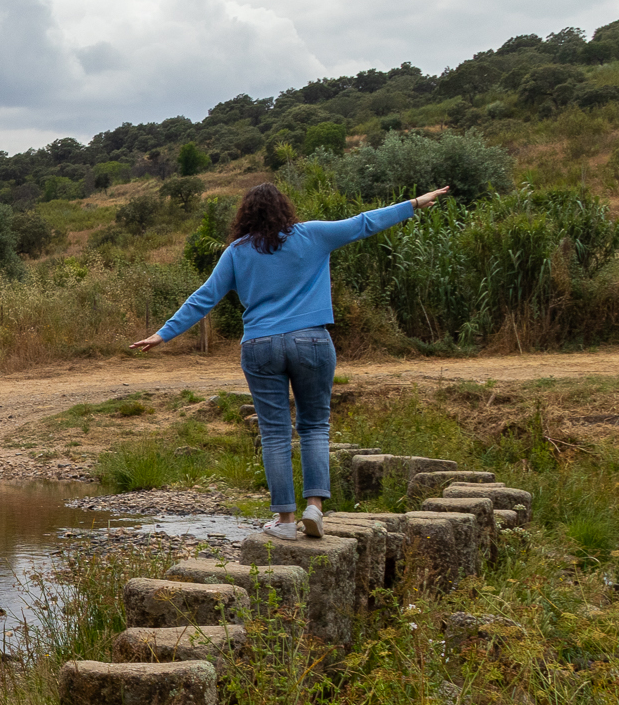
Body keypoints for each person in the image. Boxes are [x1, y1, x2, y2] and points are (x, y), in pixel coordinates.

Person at [131, 181, 451, 541]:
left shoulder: (236, 252)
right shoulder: (312, 235)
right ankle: (315, 507)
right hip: (311, 340)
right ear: (285, 207)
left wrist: (164, 333)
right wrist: (414, 203)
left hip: (260, 345)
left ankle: (284, 521)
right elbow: (365, 222)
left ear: (245, 215)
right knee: (315, 427)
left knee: (275, 434)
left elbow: (204, 298)